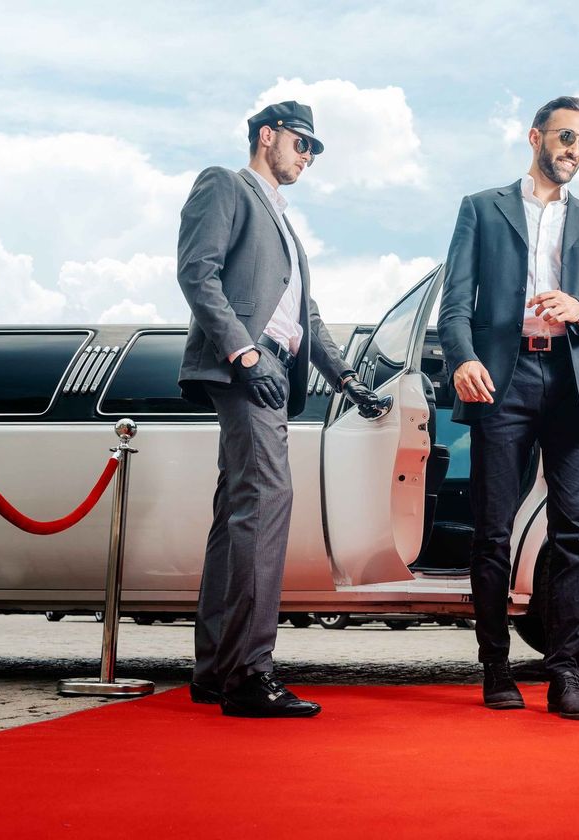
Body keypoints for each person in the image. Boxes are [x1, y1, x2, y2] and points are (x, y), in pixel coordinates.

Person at [176, 100, 384, 718]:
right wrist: (243, 353)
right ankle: (249, 675)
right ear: (267, 137)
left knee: (240, 516)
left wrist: (344, 376)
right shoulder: (227, 185)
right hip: (247, 367)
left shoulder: (286, 226)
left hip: (270, 367)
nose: (308, 156)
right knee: (265, 510)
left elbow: (306, 318)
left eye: (314, 148)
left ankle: (216, 670)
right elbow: (196, 273)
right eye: (301, 143)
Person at [439, 96, 579, 720]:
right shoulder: (481, 209)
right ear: (534, 137)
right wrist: (463, 358)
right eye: (565, 137)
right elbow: (454, 305)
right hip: (502, 377)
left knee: (574, 531)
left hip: (573, 380)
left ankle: (566, 675)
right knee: (493, 530)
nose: (574, 150)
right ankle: (495, 668)